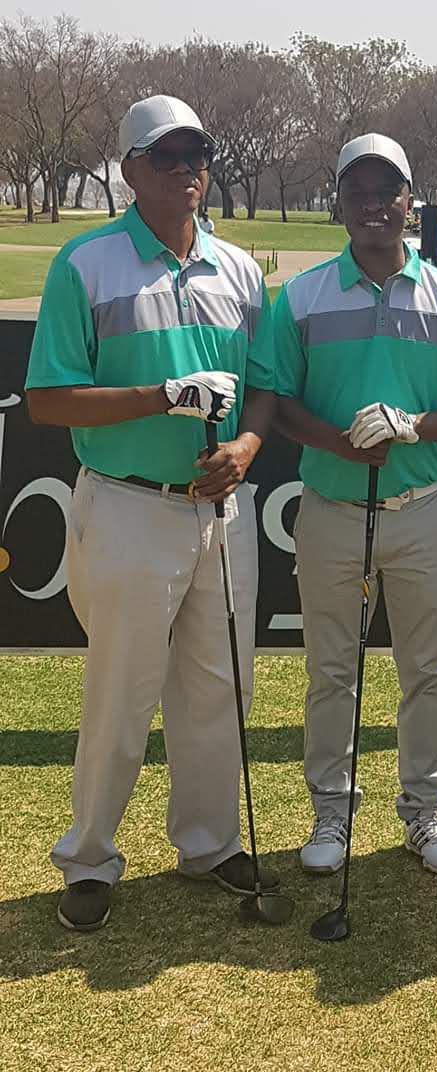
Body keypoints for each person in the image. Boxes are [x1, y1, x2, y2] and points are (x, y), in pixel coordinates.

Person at [24, 94, 278, 932]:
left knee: (217, 688)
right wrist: (157, 398)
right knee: (122, 692)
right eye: (167, 157)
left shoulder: (240, 270)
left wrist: (243, 449)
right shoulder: (86, 264)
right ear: (129, 169)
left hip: (222, 513)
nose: (186, 170)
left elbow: (264, 390)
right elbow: (50, 402)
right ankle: (90, 857)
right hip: (130, 507)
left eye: (197, 154)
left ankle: (206, 843)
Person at [273, 134, 437, 876]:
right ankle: (331, 815)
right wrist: (342, 445)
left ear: (412, 201)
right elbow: (276, 401)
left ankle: (425, 811)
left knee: (425, 670)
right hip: (335, 509)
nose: (374, 205)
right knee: (331, 670)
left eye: (388, 191)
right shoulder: (302, 297)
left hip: (425, 507)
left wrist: (413, 426)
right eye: (358, 192)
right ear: (340, 203)